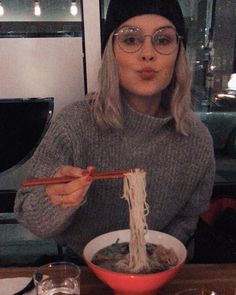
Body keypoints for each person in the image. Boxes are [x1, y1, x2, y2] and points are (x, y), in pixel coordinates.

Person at [14, 0, 215, 262]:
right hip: (80, 268)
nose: (147, 53)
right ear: (111, 53)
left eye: (163, 40)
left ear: (179, 52)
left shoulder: (196, 140)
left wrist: (153, 259)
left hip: (159, 266)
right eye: (131, 40)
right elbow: (29, 213)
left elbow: (187, 219)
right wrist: (57, 200)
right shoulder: (75, 125)